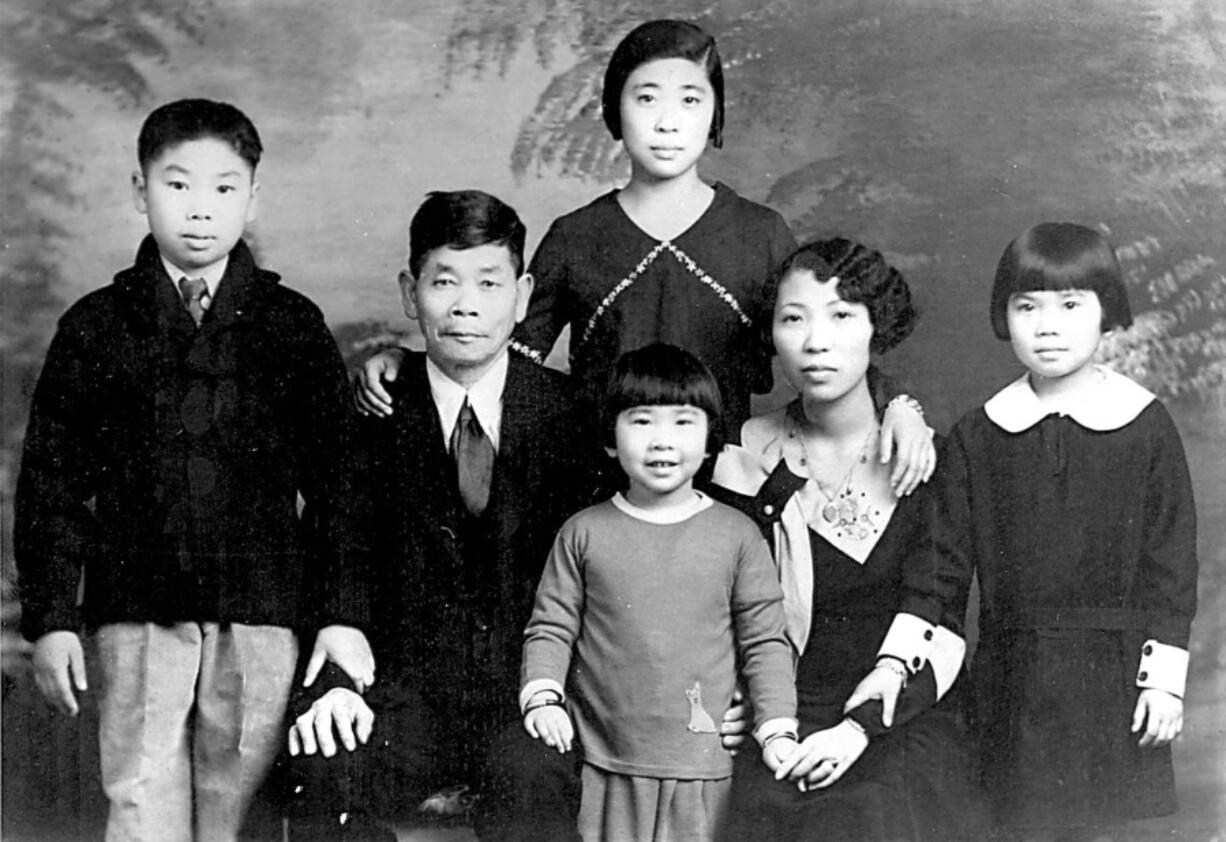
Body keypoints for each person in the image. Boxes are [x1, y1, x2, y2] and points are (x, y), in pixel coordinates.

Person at [353, 18, 934, 496]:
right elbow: (497, 355)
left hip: (731, 489)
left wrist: (899, 403)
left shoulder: (759, 233)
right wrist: (404, 362)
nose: (666, 121)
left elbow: (826, 347)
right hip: (592, 490)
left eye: (690, 99)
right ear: (615, 109)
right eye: (645, 97)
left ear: (715, 115)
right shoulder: (577, 236)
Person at [14, 98, 369, 842]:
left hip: (263, 613)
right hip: (137, 608)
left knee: (242, 800)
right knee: (141, 796)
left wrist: (340, 614)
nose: (200, 210)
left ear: (252, 195)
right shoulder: (95, 326)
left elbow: (340, 486)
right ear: (140, 190)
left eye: (223, 187)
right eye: (177, 186)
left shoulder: (291, 326)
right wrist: (51, 620)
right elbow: (50, 484)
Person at [284, 190, 602, 842]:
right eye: (443, 282)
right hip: (403, 693)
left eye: (489, 283)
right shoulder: (372, 411)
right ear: (411, 292)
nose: (465, 305)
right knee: (325, 762)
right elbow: (333, 540)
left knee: (533, 781)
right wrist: (341, 657)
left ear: (522, 294)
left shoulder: (571, 417)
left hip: (523, 694)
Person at [711, 238, 988, 841]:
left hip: (901, 711)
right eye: (793, 319)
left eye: (841, 316)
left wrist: (858, 728)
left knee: (872, 814)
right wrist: (737, 702)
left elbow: (938, 614)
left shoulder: (925, 457)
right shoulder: (744, 453)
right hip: (780, 708)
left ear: (875, 328)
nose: (816, 341)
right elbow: (723, 603)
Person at [939, 223, 1198, 841]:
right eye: (1027, 307)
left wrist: (1163, 683)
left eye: (1071, 305)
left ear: (1108, 313)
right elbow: (944, 566)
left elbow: (1170, 561)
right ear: (1004, 316)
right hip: (1013, 676)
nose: (1047, 326)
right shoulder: (980, 434)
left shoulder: (1144, 426)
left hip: (1112, 679)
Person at [518, 343, 800, 842]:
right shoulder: (583, 532)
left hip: (701, 765)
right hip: (605, 760)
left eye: (683, 422)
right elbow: (551, 625)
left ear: (711, 438)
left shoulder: (736, 535)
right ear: (611, 438)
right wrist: (542, 697)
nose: (662, 442)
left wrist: (776, 725)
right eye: (642, 421)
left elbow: (765, 641)